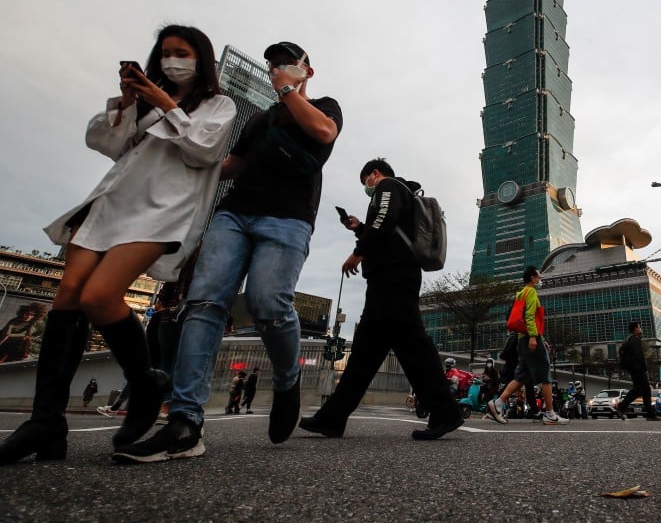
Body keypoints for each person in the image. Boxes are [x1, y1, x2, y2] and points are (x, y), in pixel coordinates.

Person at [0, 25, 235, 466]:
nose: (170, 61)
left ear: (200, 59)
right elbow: (108, 144)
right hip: (112, 203)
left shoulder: (219, 105)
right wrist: (129, 103)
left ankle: (145, 382)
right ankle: (45, 422)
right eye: (164, 53)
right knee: (67, 298)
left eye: (181, 52)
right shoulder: (146, 105)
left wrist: (167, 105)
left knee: (99, 297)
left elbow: (203, 151)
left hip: (161, 210)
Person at [114, 41, 341, 464]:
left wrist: (289, 91)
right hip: (235, 214)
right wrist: (179, 163)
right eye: (273, 63)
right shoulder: (259, 118)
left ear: (307, 71)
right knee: (203, 303)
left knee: (268, 301)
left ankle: (287, 379)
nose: (278, 68)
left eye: (288, 63)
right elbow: (233, 164)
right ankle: (185, 423)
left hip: (288, 218)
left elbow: (324, 134)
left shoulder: (325, 106)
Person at [299, 159, 463, 441]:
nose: (367, 186)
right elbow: (386, 228)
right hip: (388, 279)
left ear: (375, 174)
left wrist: (359, 251)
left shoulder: (387, 185)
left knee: (413, 346)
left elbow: (384, 221)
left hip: (393, 278)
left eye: (366, 181)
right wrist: (359, 227)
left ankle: (446, 410)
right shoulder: (397, 193)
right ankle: (332, 418)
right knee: (365, 354)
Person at [485, 267, 568, 426]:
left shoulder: (520, 293)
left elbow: (525, 318)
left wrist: (540, 338)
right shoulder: (530, 292)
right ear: (532, 277)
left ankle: (496, 405)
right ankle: (550, 414)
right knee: (545, 375)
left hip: (522, 339)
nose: (540, 278)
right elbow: (529, 316)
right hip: (530, 338)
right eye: (538, 276)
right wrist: (534, 337)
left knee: (521, 377)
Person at [617, 322, 661, 421]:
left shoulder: (628, 339)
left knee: (645, 390)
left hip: (633, 368)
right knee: (639, 390)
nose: (640, 328)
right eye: (639, 327)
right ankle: (622, 406)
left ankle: (650, 414)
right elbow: (639, 356)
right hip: (638, 369)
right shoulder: (635, 339)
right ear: (636, 328)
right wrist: (644, 369)